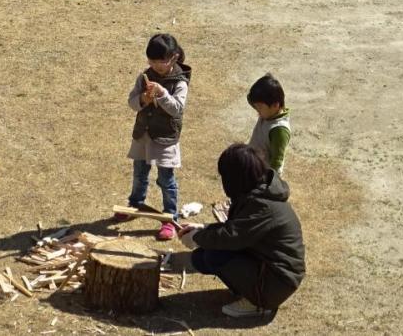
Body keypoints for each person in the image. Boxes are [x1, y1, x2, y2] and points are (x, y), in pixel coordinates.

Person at [176, 144, 305, 318]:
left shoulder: (262, 205)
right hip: (271, 270)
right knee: (202, 258)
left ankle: (259, 303)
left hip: (278, 280)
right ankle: (249, 290)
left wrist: (198, 237)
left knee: (213, 256)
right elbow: (238, 229)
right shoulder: (258, 193)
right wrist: (204, 229)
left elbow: (231, 237)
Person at [114, 34, 190, 241]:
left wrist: (163, 94)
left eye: (160, 62)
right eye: (151, 61)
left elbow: (177, 110)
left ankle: (170, 217)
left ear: (173, 58)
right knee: (139, 173)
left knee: (166, 179)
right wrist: (143, 99)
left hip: (165, 138)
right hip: (143, 134)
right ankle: (135, 203)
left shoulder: (180, 82)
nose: (156, 66)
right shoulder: (144, 76)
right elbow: (132, 103)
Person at [247, 73, 291, 174]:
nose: (256, 110)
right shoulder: (268, 113)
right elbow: (250, 99)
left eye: (259, 107)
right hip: (253, 165)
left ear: (275, 105)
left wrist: (268, 183)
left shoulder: (279, 130)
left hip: (262, 174)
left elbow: (277, 162)